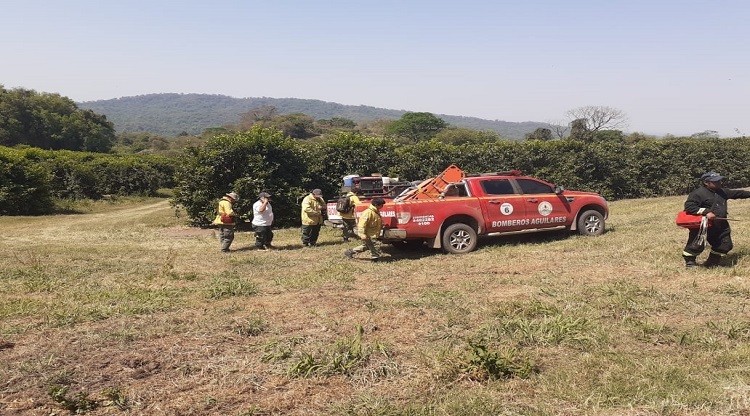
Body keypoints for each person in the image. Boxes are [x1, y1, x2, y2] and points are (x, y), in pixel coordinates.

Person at [682, 171, 750, 268]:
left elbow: (738, 193)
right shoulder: (698, 193)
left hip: (720, 225)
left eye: (719, 181)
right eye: (715, 181)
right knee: (696, 244)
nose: (719, 183)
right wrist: (706, 212)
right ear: (706, 182)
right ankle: (690, 263)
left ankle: (712, 262)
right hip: (704, 225)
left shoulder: (722, 192)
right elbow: (689, 206)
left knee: (725, 244)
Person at [344, 197, 385, 261]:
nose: (382, 206)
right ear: (376, 205)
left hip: (373, 233)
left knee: (366, 246)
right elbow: (361, 225)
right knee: (375, 245)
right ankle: (375, 257)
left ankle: (350, 251)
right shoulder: (368, 213)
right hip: (369, 234)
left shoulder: (376, 212)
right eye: (381, 205)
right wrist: (362, 234)